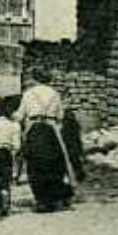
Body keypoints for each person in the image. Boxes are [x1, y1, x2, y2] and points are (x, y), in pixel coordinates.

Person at [14, 71, 78, 212]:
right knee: (56, 164)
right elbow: (60, 115)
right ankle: (55, 197)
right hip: (51, 130)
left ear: (35, 80)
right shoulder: (55, 94)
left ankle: (41, 200)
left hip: (34, 129)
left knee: (34, 164)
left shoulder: (28, 94)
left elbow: (20, 115)